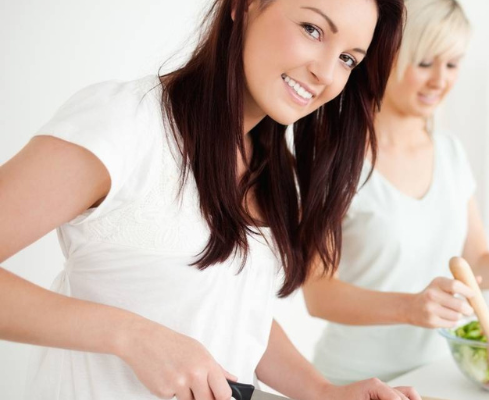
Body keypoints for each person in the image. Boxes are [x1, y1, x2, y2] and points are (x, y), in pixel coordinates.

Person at [0, 0, 420, 399]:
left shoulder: (273, 168)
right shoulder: (124, 124)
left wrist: (323, 392)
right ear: (242, 6)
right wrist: (130, 335)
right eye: (312, 29)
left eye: (349, 58)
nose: (326, 72)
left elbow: (230, 308)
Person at [303, 0, 489, 384]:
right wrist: (410, 308)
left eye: (453, 64)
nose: (440, 80)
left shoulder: (450, 152)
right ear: (387, 56)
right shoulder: (334, 158)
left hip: (440, 376)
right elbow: (318, 294)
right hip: (354, 381)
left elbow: (475, 264)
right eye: (425, 62)